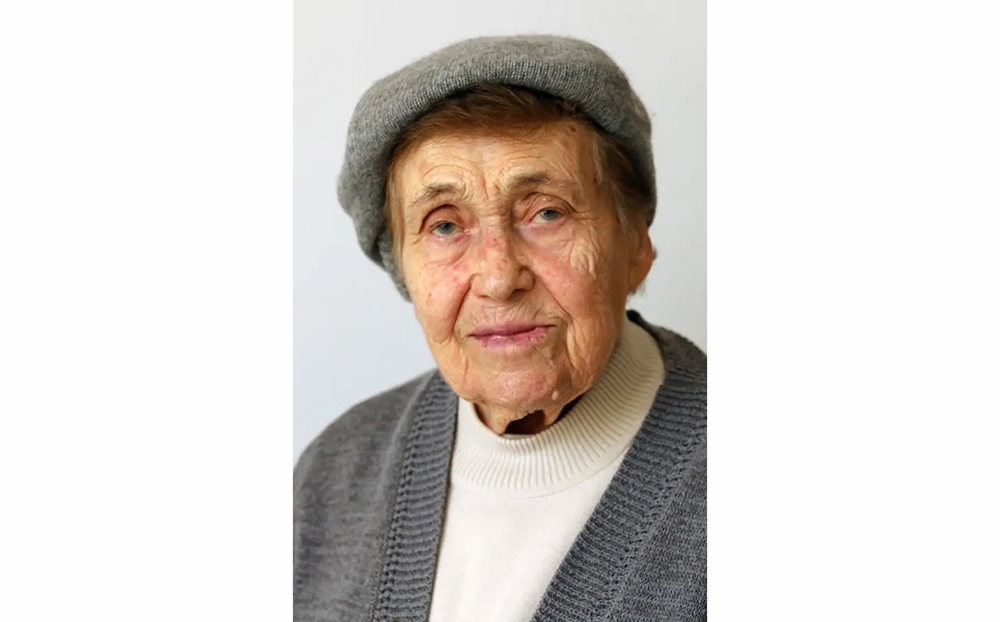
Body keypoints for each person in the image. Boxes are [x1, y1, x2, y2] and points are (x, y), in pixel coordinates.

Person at [294, 35, 707, 622]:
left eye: (546, 212)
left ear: (636, 244)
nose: (497, 277)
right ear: (403, 269)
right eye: (444, 226)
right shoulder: (334, 473)